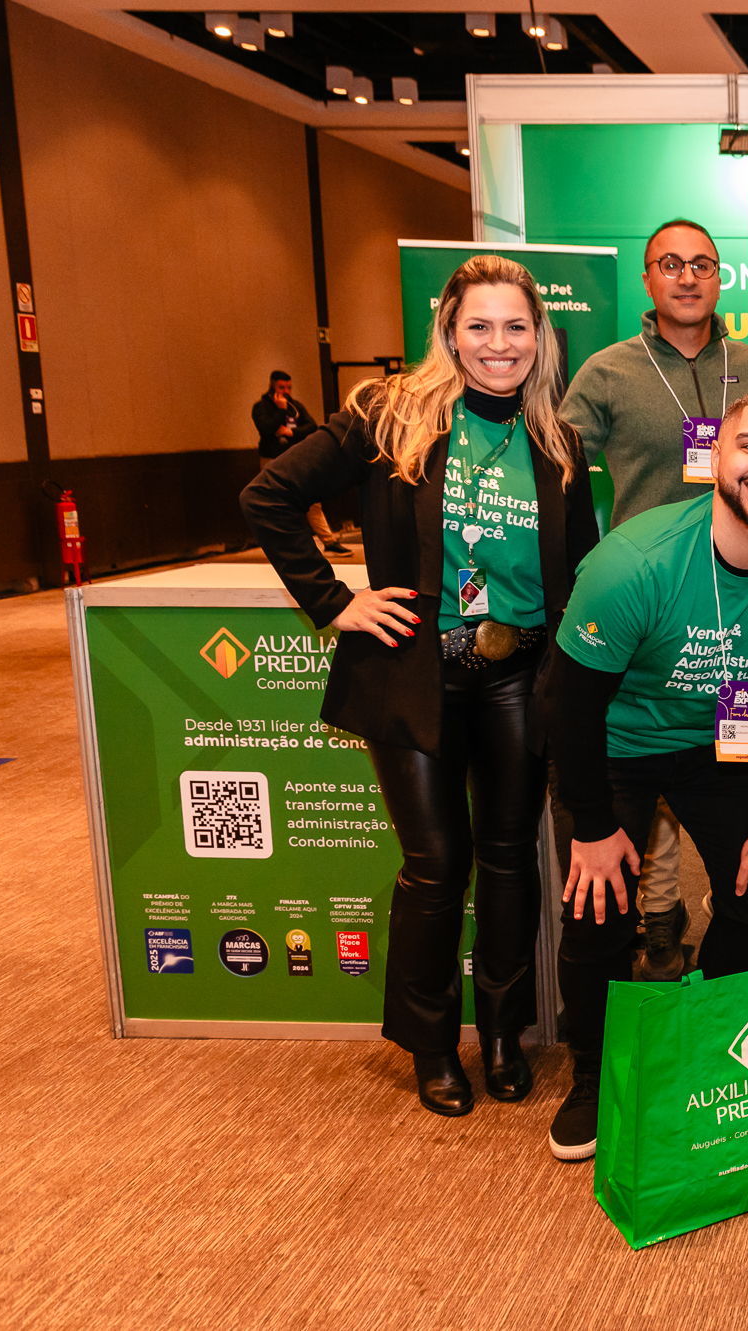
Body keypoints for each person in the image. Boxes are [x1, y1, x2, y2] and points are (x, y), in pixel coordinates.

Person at [241, 255, 597, 1118]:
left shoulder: (558, 439)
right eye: (480, 325)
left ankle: (504, 1033)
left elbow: (582, 564)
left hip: (520, 675)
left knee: (509, 859)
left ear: (540, 337)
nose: (499, 344)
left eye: (516, 326)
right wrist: (335, 603)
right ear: (449, 332)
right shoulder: (388, 415)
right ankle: (432, 1044)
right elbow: (269, 495)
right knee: (437, 865)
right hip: (414, 671)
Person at [541, 389, 748, 1162]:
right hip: (617, 742)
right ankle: (595, 1072)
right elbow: (568, 705)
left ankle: (705, 1028)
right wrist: (593, 827)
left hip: (724, 745)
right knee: (596, 905)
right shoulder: (634, 563)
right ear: (716, 458)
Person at [560, 217, 748, 979]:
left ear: (720, 277)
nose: (688, 277)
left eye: (702, 264)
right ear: (648, 279)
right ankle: (657, 921)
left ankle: (686, 940)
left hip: (736, 610)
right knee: (635, 784)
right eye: (670, 264)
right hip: (645, 607)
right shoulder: (608, 371)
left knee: (722, 789)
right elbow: (555, 469)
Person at [252, 371, 343, 553]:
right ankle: (280, 544)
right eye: (281, 387)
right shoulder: (261, 407)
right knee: (275, 501)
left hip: (294, 459)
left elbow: (312, 426)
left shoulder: (295, 406)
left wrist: (291, 432)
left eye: (289, 387)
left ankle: (329, 541)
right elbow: (266, 428)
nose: (286, 391)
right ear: (271, 386)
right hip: (272, 459)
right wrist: (280, 410)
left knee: (312, 500)